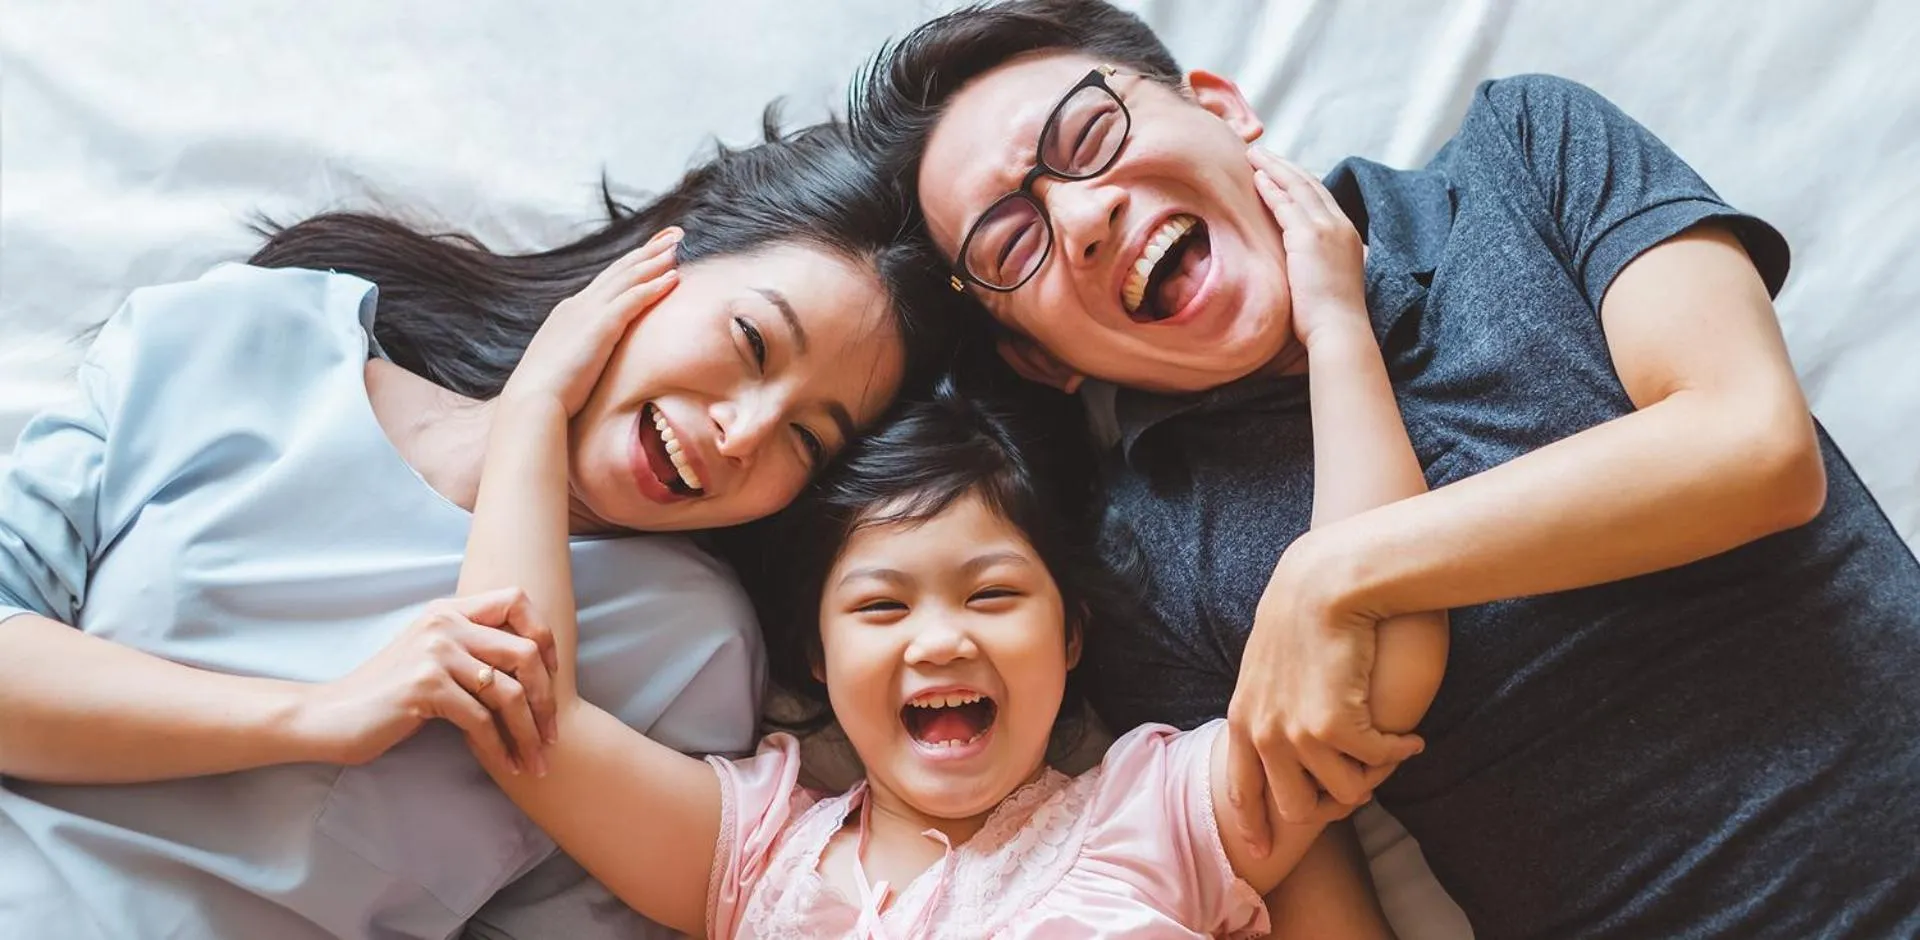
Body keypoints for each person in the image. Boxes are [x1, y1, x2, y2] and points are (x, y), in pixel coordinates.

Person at [844, 1, 1920, 937]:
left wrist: (1336, 573)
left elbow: (1754, 447)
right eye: (1011, 244)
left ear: (1222, 108)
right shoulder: (1146, 567)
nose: (1083, 218)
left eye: (1089, 134)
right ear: (1041, 361)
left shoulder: (1525, 150)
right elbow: (1312, 900)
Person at [442, 154, 1443, 935]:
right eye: (882, 605)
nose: (941, 641)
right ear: (816, 655)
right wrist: (535, 408)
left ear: (1071, 636)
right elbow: (520, 707)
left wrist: (1335, 332)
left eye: (993, 595)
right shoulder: (754, 855)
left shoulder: (1159, 816)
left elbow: (1374, 658)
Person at [0, 119, 953, 940]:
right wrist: (316, 717)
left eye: (806, 439)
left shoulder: (686, 647)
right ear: (660, 261)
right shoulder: (249, 333)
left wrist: (536, 413)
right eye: (751, 342)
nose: (743, 434)